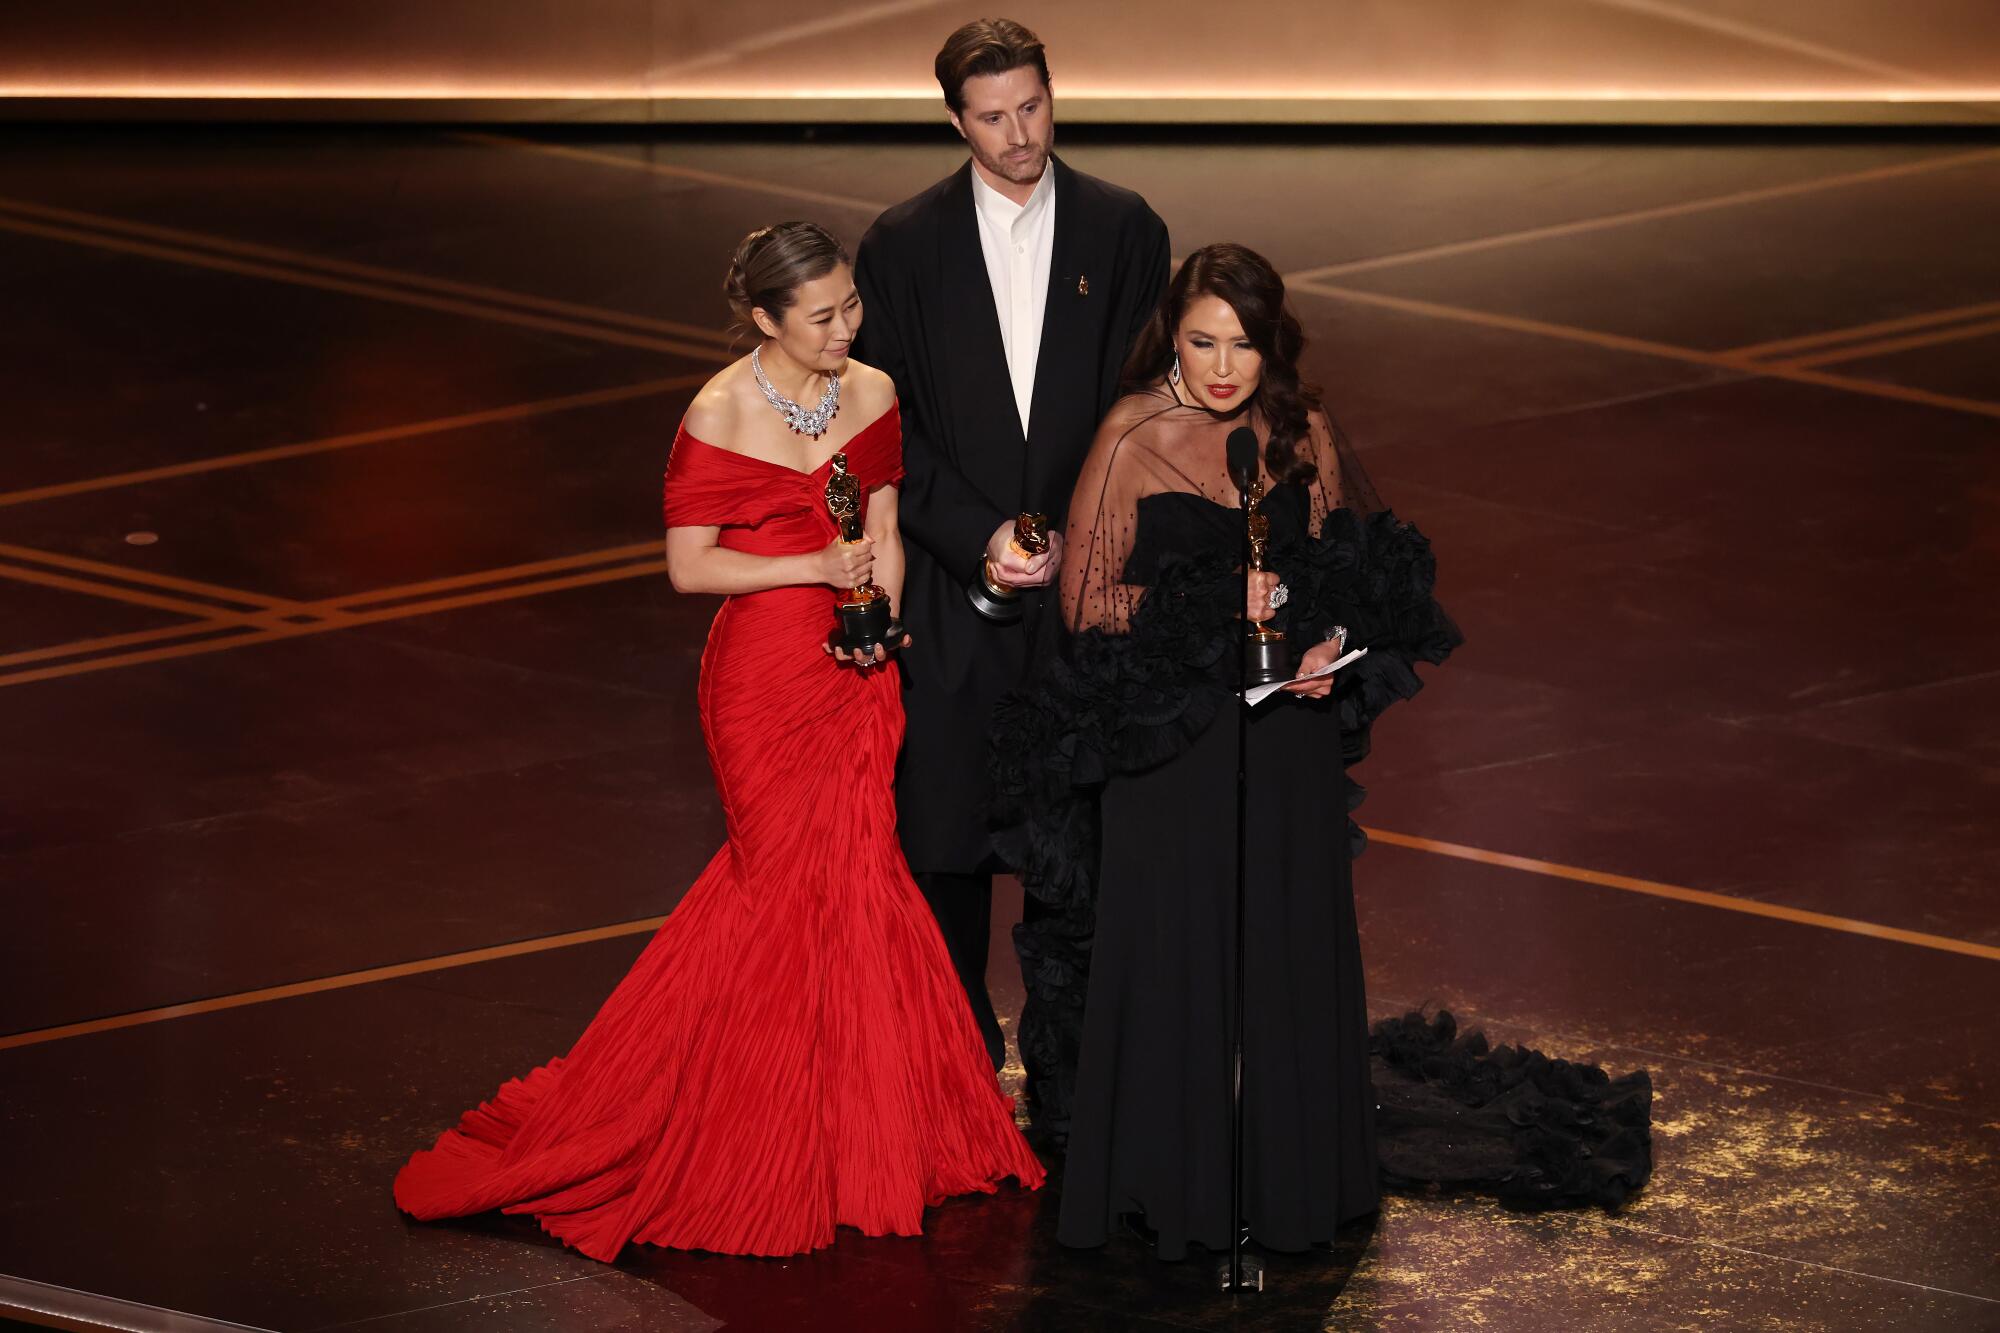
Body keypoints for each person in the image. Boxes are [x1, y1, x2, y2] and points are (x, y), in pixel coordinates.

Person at [392, 222, 1043, 1263]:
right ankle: (748, 1132)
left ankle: (858, 1133)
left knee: (859, 884)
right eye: (822, 315)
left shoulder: (871, 392)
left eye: (850, 308)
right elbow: (690, 568)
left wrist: (880, 622)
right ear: (765, 318)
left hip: (860, 672)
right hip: (762, 678)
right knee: (782, 888)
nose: (845, 328)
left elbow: (881, 519)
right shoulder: (718, 410)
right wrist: (813, 579)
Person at [991, 244, 1651, 1260]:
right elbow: (1087, 605)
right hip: (1175, 751)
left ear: (1271, 343)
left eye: (1242, 345)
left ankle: (1292, 1177)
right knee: (1181, 962)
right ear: (1173, 336)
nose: (1221, 367)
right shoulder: (1129, 437)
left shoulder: (1298, 430)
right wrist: (1216, 605)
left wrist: (1326, 647)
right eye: (1202, 342)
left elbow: (1351, 566)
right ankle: (1176, 1188)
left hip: (1286, 737)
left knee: (1287, 951)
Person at [853, 17, 1171, 1143]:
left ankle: (1071, 1080)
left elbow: (1143, 412)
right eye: (991, 116)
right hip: (952, 594)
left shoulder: (1124, 228)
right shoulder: (899, 247)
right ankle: (952, 1077)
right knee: (942, 840)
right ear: (954, 120)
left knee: (1071, 845)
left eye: (1031, 106)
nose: (1017, 133)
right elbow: (880, 422)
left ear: (1051, 95)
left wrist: (1087, 537)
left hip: (1085, 595)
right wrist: (973, 534)